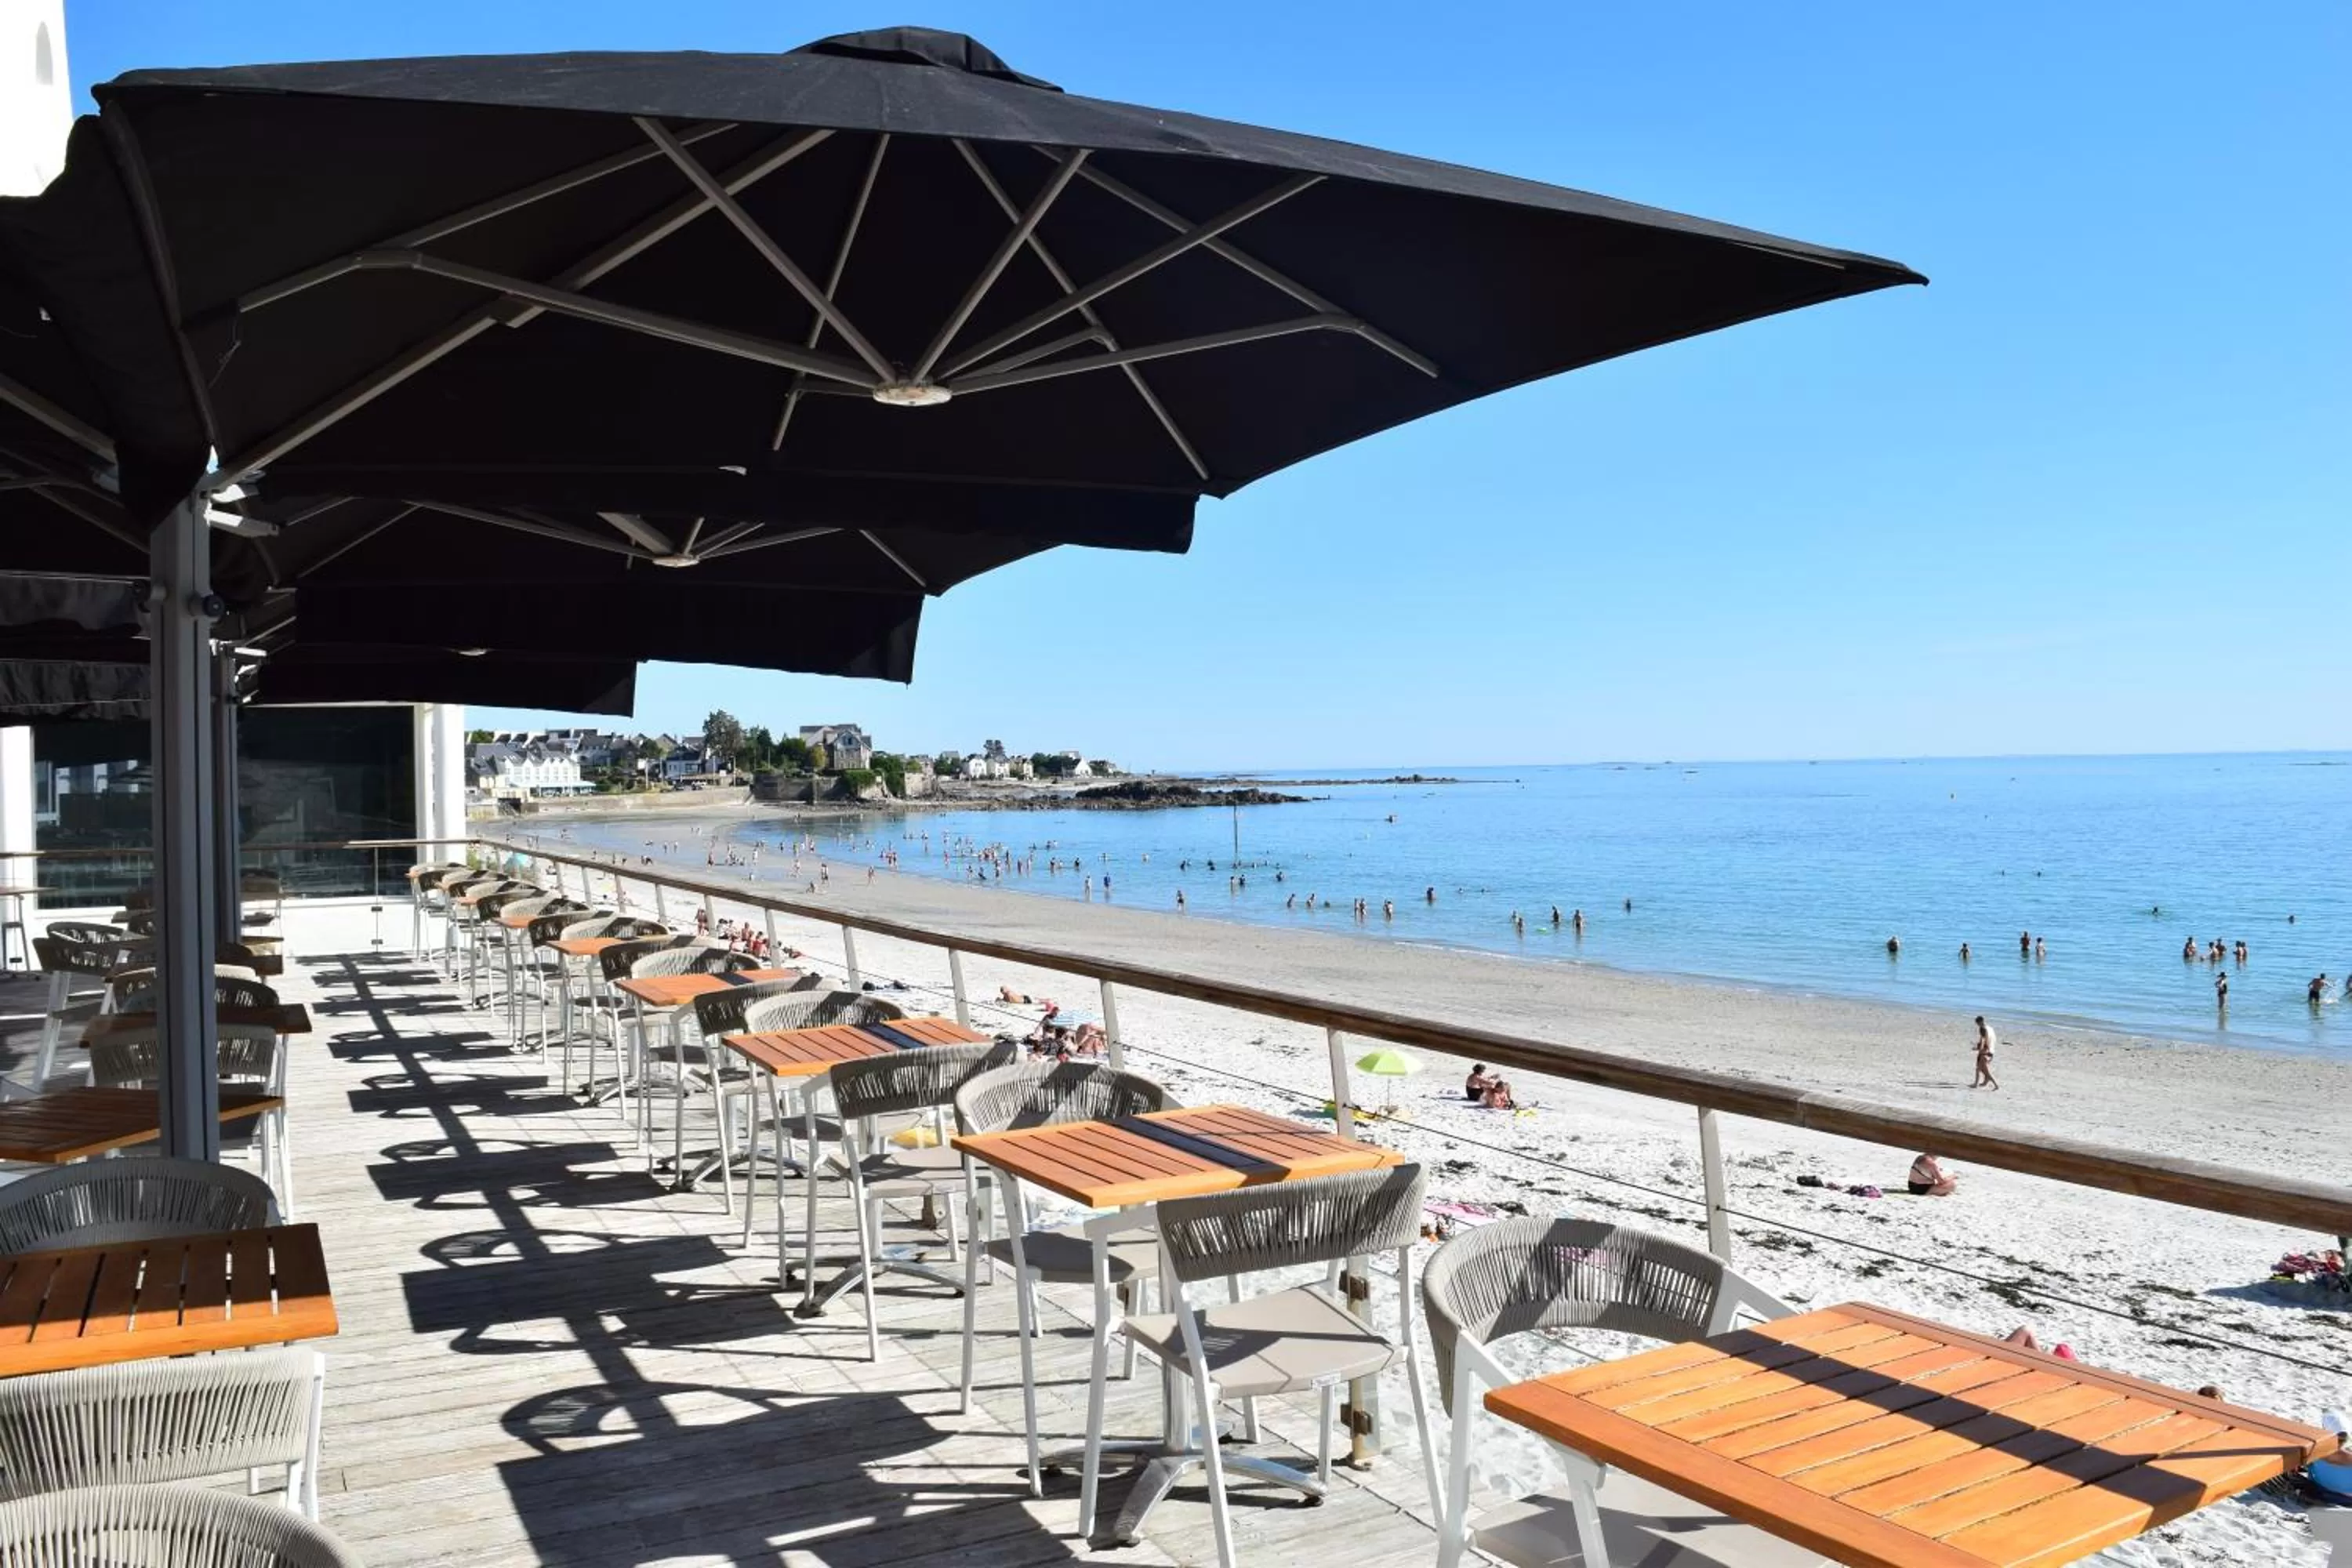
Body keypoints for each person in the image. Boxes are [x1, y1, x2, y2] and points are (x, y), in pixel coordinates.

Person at [1972, 1015, 2000, 1090]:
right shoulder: (1990, 1028)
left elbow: (1983, 1040)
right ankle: (1979, 1083)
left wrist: (1978, 1049)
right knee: (1979, 1069)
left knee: (1985, 1071)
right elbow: (1993, 1040)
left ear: (1980, 1022)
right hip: (1990, 1051)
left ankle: (1996, 1085)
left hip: (1984, 1051)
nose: (1977, 1025)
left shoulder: (1982, 1029)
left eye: (1977, 1023)